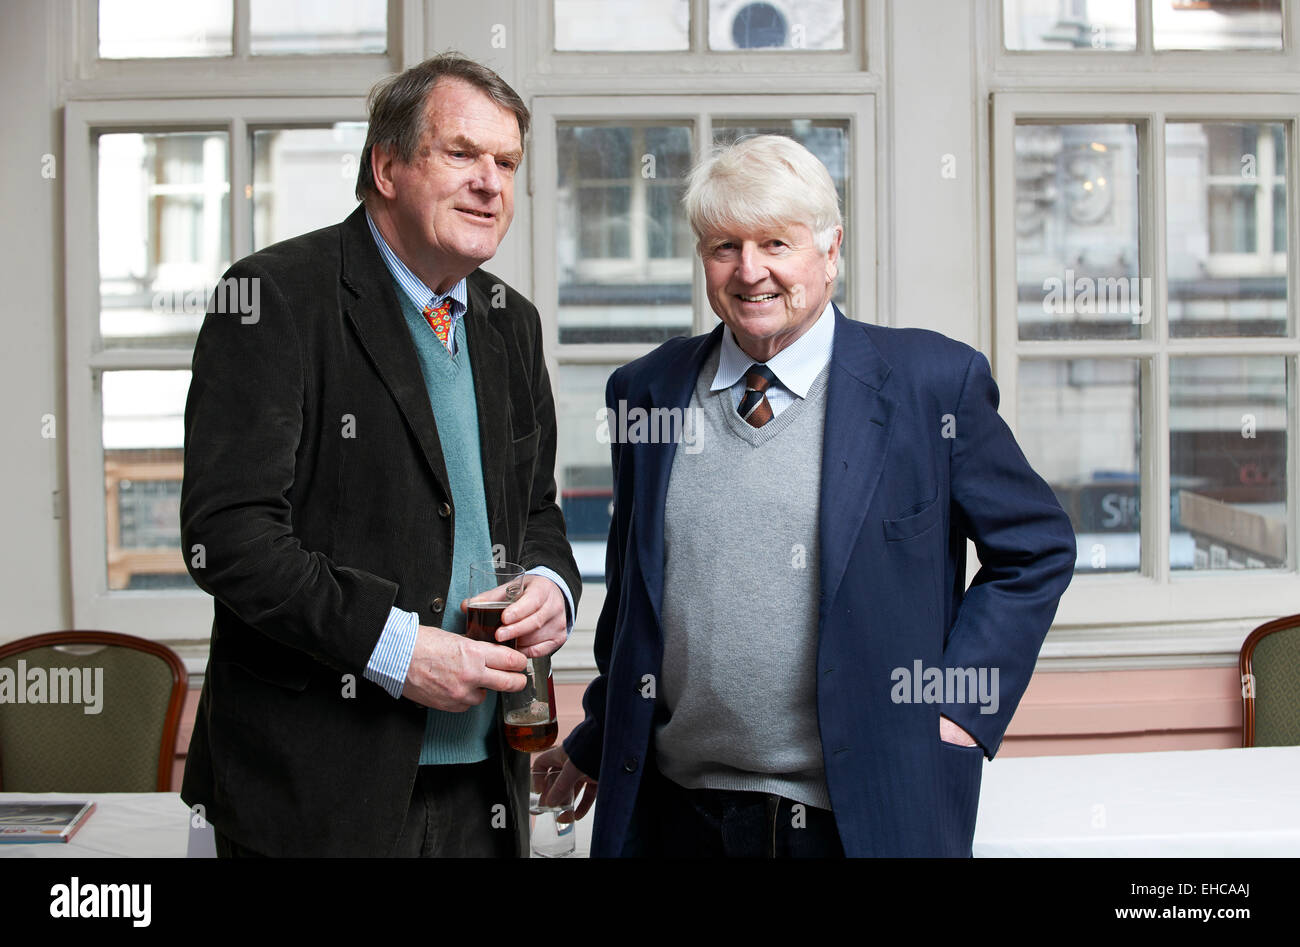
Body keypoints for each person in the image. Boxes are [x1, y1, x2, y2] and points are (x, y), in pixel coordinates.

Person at [538, 134, 1075, 857]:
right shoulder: (647, 390)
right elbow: (637, 603)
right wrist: (599, 736)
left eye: (775, 243)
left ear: (831, 249)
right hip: (676, 819)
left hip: (858, 819)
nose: (749, 270)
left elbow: (1036, 549)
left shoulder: (931, 383)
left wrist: (961, 705)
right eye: (724, 245)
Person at [180, 54, 580, 857]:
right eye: (461, 153)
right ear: (386, 165)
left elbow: (534, 509)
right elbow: (229, 537)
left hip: (484, 784)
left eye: (506, 163)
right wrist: (395, 650)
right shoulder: (273, 298)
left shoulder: (512, 321)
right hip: (315, 789)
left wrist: (551, 586)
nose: (489, 183)